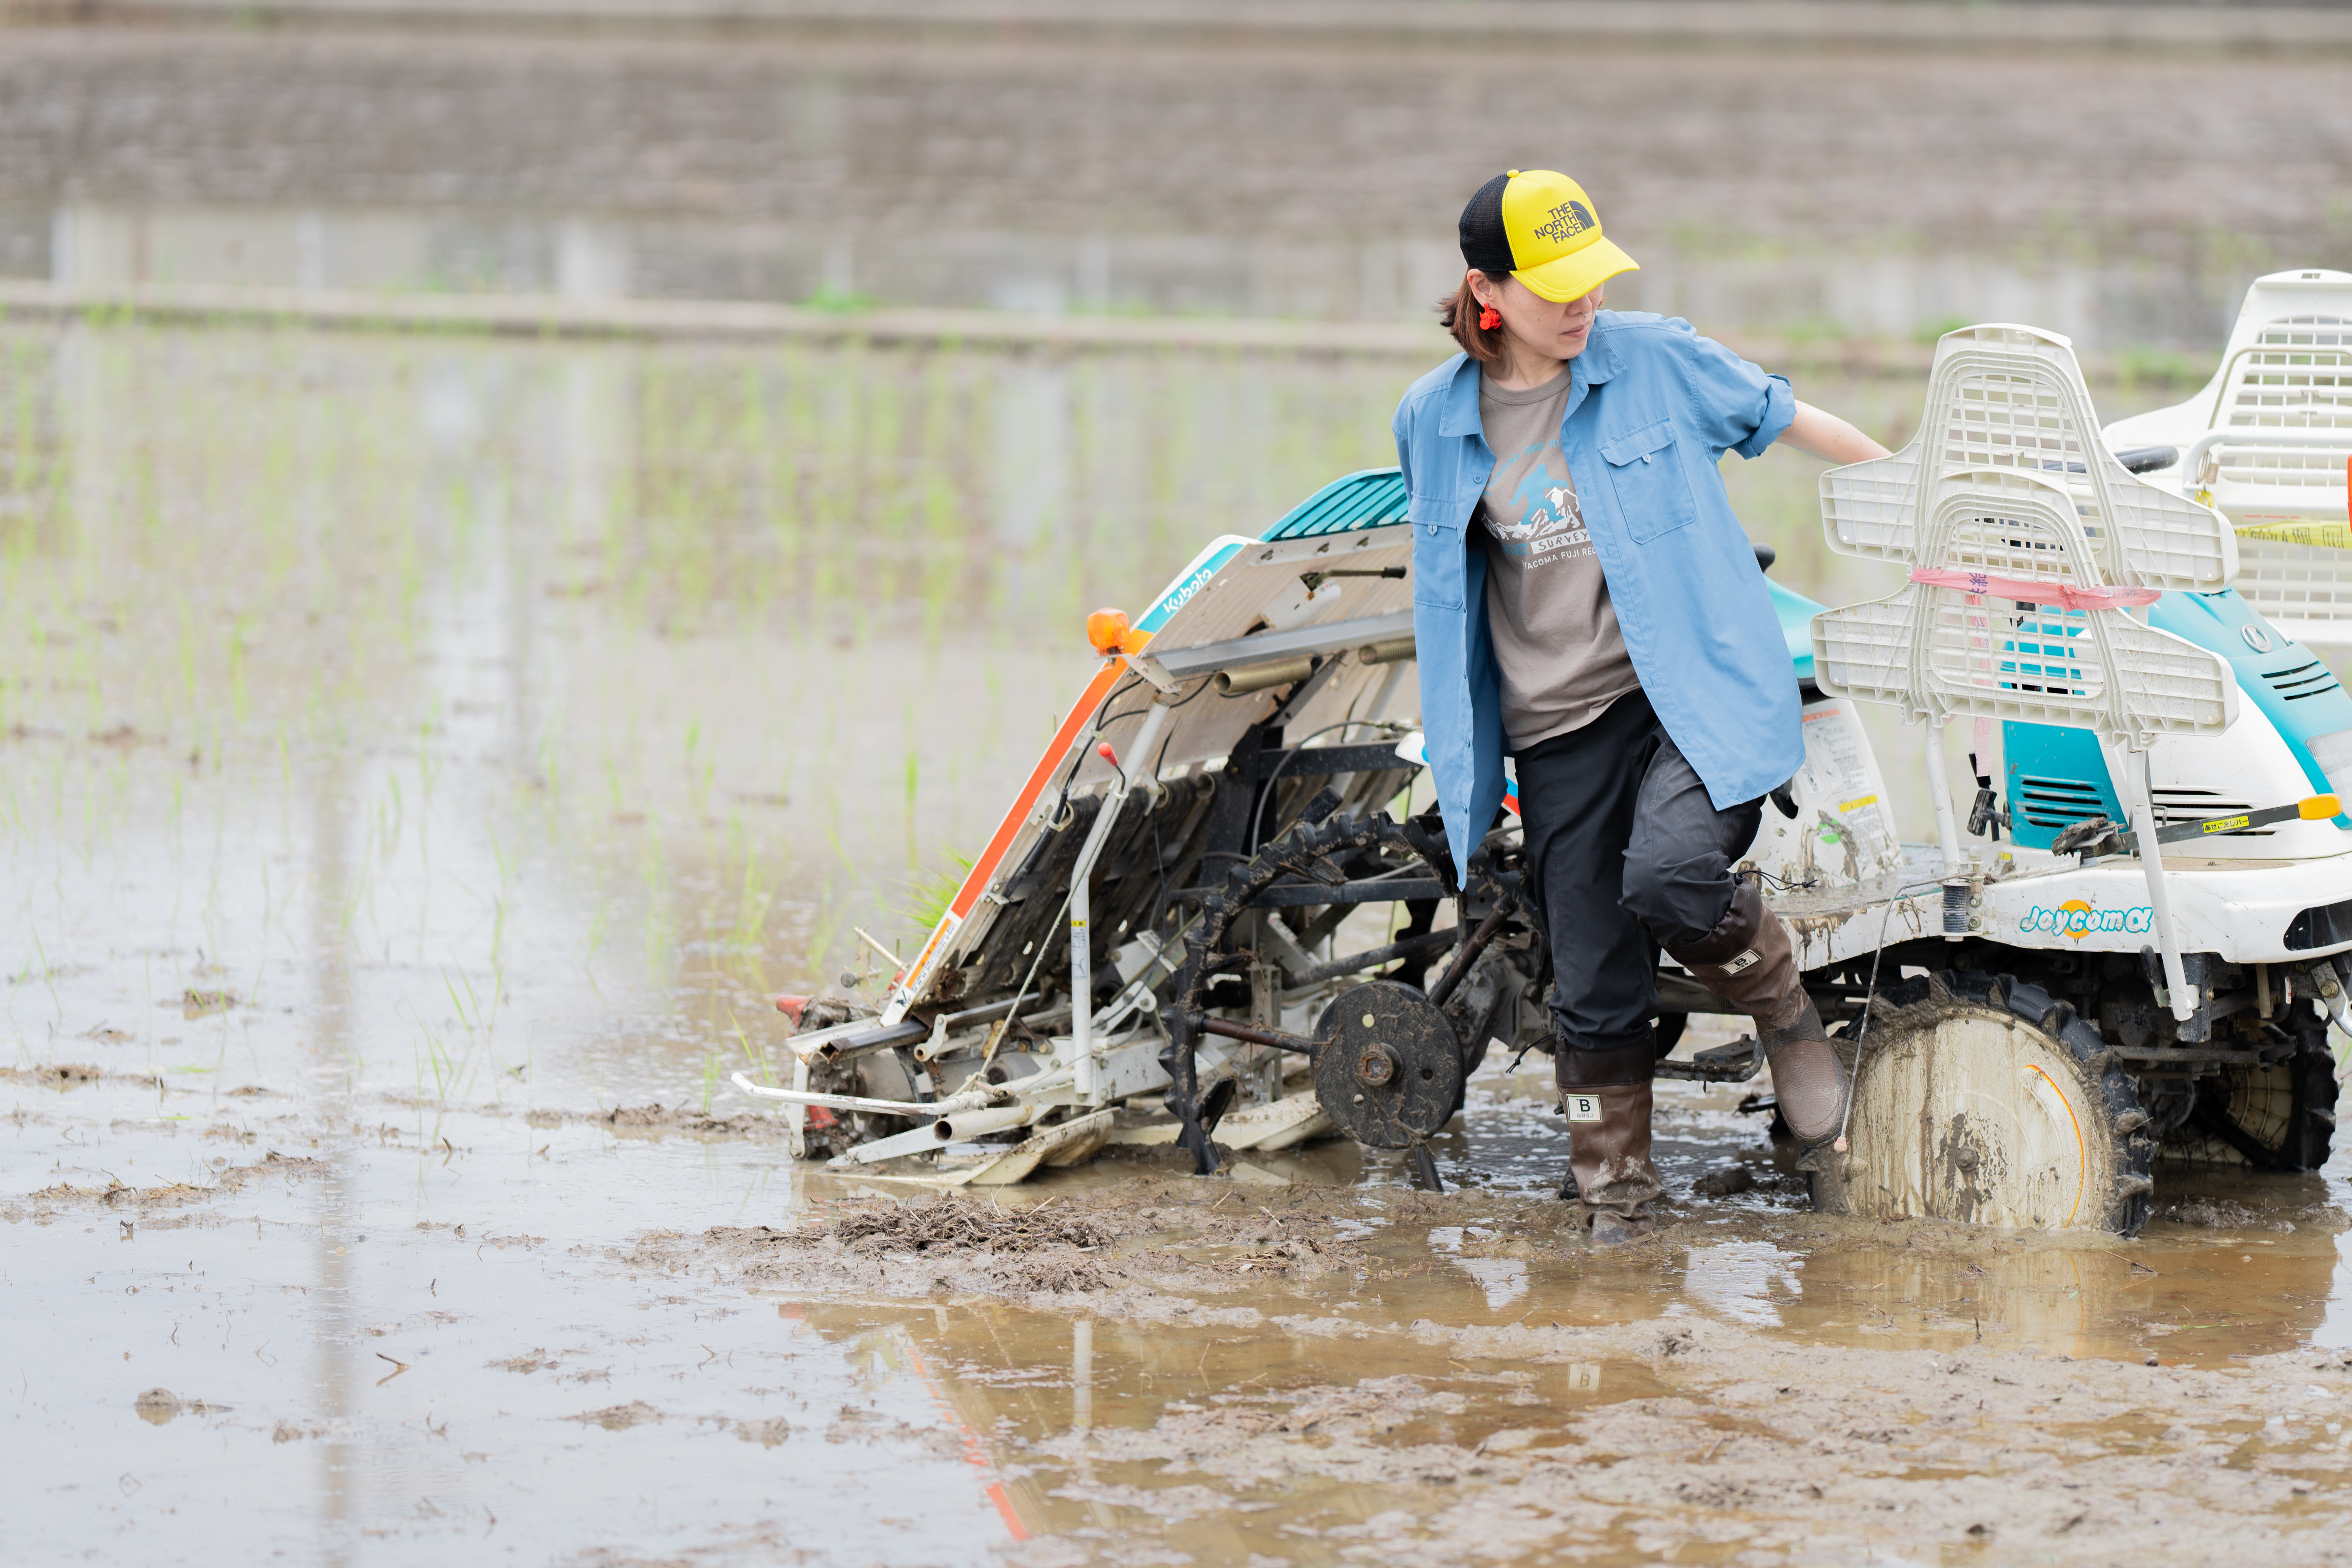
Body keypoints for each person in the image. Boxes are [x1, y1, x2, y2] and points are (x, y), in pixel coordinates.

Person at [1392, 170, 1892, 1245]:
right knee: (1594, 976)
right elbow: (1445, 597)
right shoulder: (1431, 422)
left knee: (1669, 874)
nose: (1582, 305)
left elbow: (1789, 417)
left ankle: (1785, 1011)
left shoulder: (1656, 360)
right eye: (1555, 287)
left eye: (1593, 280)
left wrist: (1919, 503)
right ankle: (1616, 1196)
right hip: (1559, 726)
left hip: (1691, 700)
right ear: (1489, 291)